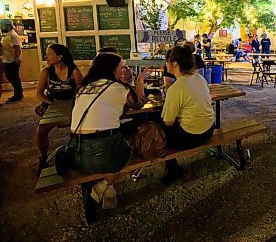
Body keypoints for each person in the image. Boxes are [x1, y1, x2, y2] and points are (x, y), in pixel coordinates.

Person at [68, 52, 150, 209]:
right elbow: (139, 105)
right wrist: (139, 80)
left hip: (77, 154)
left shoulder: (82, 88)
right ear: (113, 69)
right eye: (122, 67)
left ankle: (110, 191)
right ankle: (104, 184)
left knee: (117, 133)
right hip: (102, 155)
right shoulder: (119, 88)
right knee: (129, 149)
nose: (124, 70)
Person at [160, 46, 215, 184]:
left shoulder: (176, 88)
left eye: (166, 61)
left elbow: (168, 122)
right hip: (209, 130)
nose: (165, 64)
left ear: (174, 64)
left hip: (192, 137)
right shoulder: (199, 78)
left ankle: (173, 169)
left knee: (159, 128)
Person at [35, 44, 83, 173]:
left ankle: (78, 154)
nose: (46, 57)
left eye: (49, 54)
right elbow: (39, 93)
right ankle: (43, 158)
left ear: (60, 57)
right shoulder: (46, 72)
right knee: (41, 130)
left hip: (72, 106)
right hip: (54, 105)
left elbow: (82, 92)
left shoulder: (74, 72)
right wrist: (50, 102)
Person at [0, 19, 23, 102]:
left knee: (14, 78)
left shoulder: (12, 35)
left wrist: (16, 58)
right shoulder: (7, 35)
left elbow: (17, 48)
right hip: (7, 60)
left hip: (11, 61)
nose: (1, 27)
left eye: (2, 26)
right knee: (12, 78)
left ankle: (18, 95)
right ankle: (18, 94)